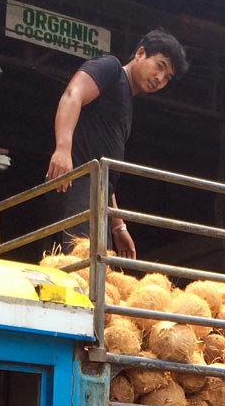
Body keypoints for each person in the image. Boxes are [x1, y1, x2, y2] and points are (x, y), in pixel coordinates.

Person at [45, 29, 189, 259]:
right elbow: (73, 94)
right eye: (160, 66)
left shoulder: (126, 104)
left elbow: (105, 168)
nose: (160, 78)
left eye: (167, 77)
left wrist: (117, 224)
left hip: (96, 194)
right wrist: (62, 149)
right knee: (82, 267)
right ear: (140, 53)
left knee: (92, 271)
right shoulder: (111, 68)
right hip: (78, 182)